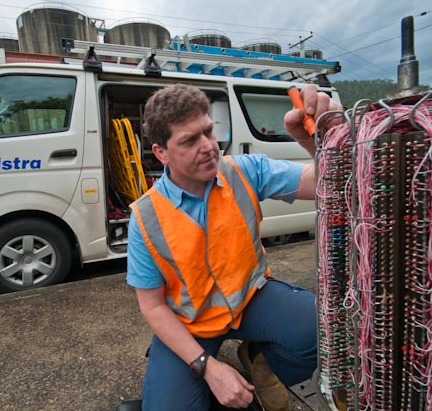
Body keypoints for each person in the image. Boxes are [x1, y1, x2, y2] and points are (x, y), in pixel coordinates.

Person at [126, 83, 341, 411]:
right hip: (190, 323)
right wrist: (208, 368)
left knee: (324, 332)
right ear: (161, 153)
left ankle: (259, 358)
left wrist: (315, 140)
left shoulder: (244, 170)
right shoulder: (145, 218)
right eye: (189, 140)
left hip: (251, 299)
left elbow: (329, 181)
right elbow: (153, 307)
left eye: (208, 132)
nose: (209, 147)